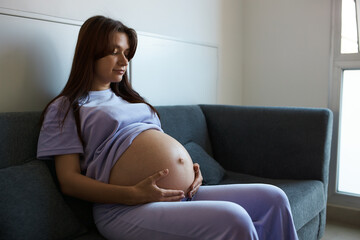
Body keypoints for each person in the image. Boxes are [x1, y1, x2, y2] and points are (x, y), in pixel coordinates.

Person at [37, 15, 299, 240]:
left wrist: (191, 172)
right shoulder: (66, 107)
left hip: (180, 194)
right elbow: (69, 181)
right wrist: (132, 194)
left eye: (126, 53)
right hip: (123, 208)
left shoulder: (130, 99)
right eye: (114, 51)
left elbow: (157, 146)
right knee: (235, 218)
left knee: (273, 198)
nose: (124, 61)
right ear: (90, 51)